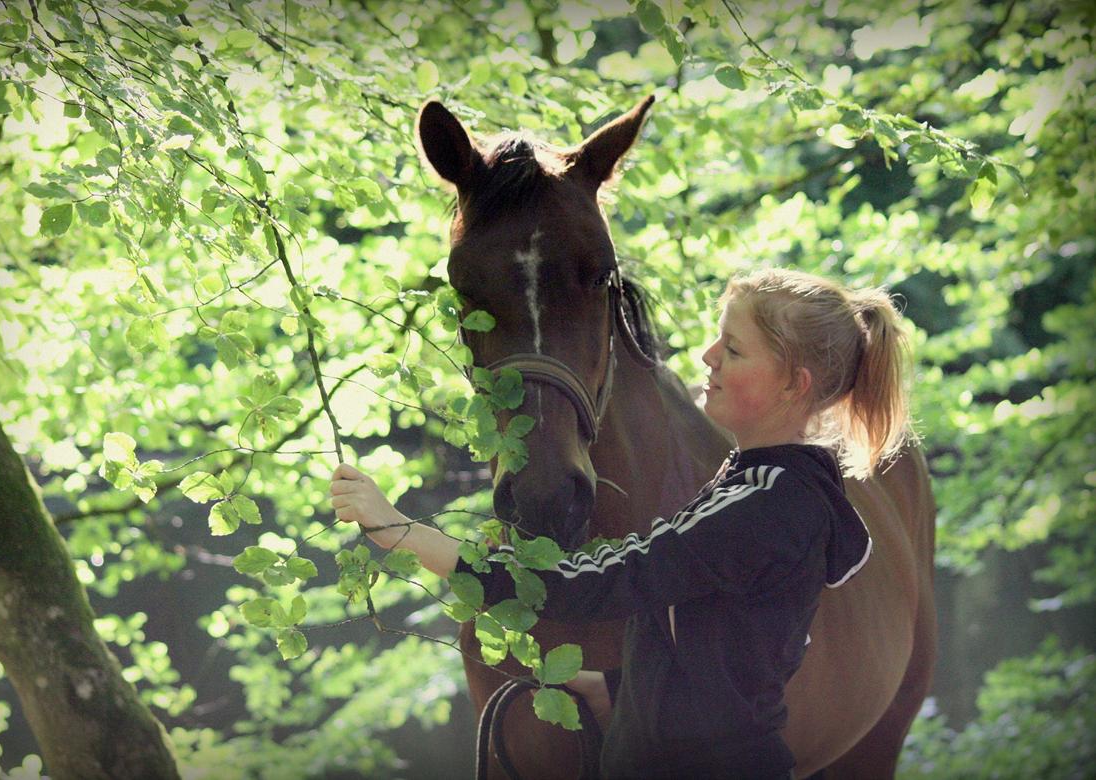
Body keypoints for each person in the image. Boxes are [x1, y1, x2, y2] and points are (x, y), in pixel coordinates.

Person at [330, 268, 913, 779]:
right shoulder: (764, 487)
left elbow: (602, 581)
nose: (708, 356)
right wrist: (614, 689)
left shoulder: (761, 505)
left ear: (794, 384)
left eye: (734, 349)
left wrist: (408, 536)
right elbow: (725, 654)